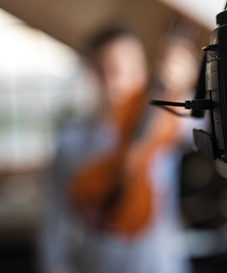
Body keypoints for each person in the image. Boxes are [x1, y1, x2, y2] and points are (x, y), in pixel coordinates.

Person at [38, 27, 198, 273]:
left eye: (130, 70)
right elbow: (54, 217)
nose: (119, 82)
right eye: (109, 71)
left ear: (144, 70)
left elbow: (209, 125)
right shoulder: (71, 140)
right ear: (93, 73)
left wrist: (187, 87)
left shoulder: (165, 121)